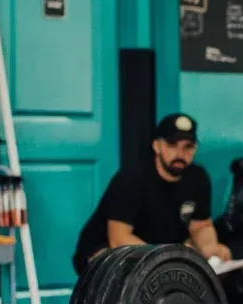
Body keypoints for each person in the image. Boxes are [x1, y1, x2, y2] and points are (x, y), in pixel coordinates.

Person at [71, 113, 232, 277]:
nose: (180, 153)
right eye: (172, 144)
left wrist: (211, 250)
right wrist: (163, 260)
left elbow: (200, 226)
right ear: (157, 146)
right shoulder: (131, 179)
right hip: (104, 251)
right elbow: (119, 238)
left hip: (157, 251)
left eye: (188, 146)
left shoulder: (198, 178)